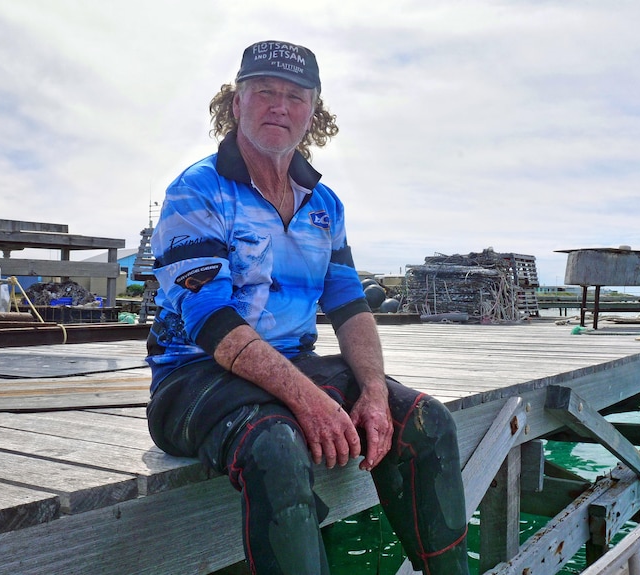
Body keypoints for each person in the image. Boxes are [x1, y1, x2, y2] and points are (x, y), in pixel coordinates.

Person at [145, 40, 470, 575]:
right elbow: (212, 323)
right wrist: (310, 402)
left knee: (425, 420)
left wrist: (369, 391)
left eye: (294, 96)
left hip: (292, 363)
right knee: (276, 445)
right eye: (264, 92)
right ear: (236, 104)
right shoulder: (196, 190)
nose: (279, 106)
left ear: (311, 112)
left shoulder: (325, 204)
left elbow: (348, 304)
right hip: (194, 376)